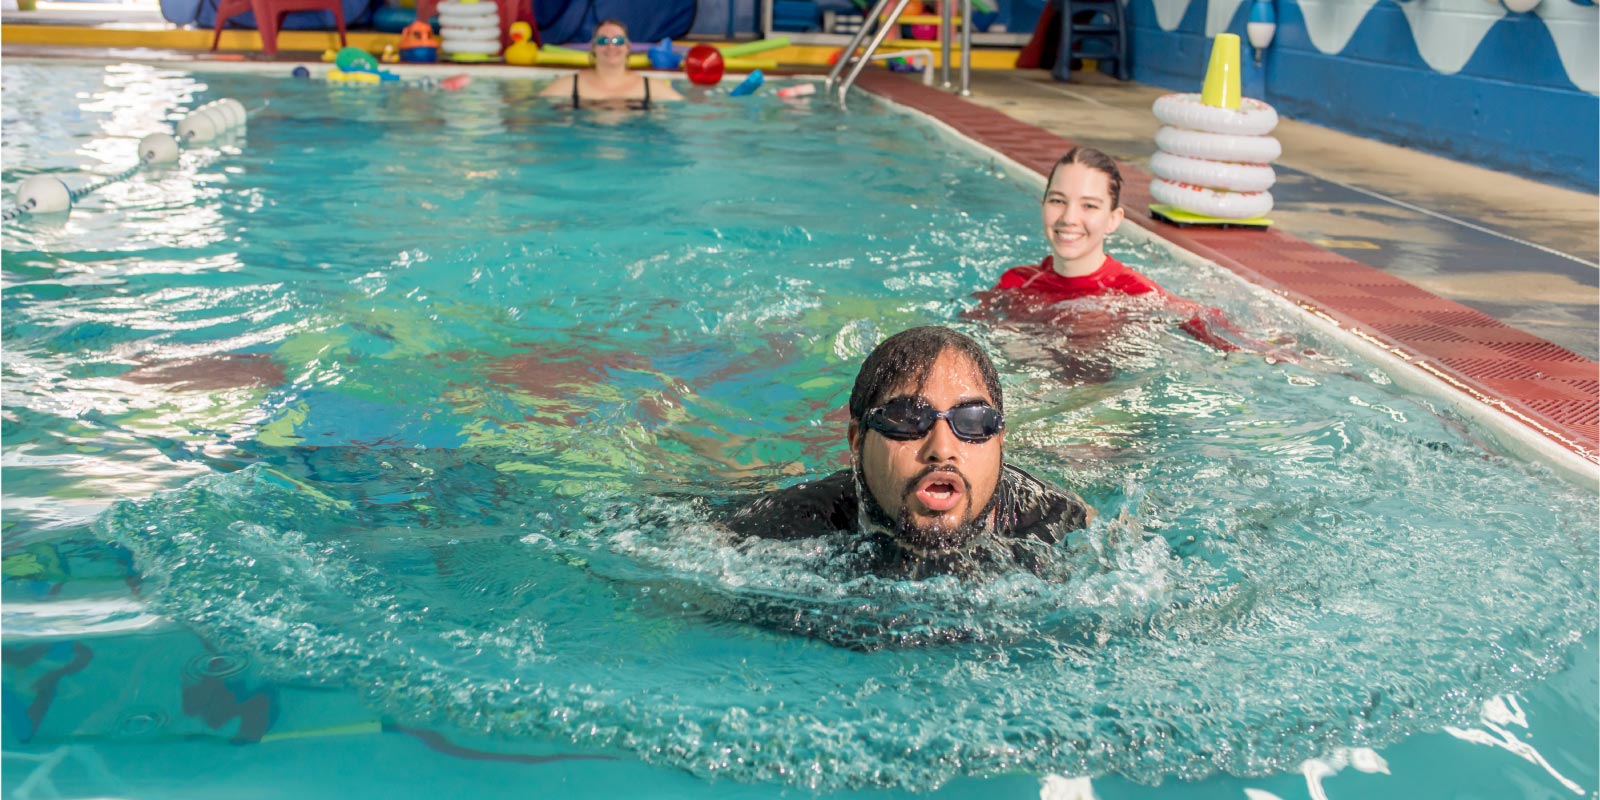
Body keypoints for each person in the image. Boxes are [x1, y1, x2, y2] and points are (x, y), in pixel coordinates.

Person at [724, 326, 1094, 577]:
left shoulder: (1059, 524)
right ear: (856, 441)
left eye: (973, 421)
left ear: (999, 440)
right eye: (906, 418)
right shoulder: (777, 531)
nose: (942, 449)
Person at [981, 146, 1257, 352]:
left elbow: (1207, 321)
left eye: (1089, 205)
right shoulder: (1014, 282)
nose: (1068, 218)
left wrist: (1262, 349)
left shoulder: (1134, 292)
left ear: (1113, 219)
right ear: (1043, 205)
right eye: (1057, 201)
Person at [538, 19, 683, 109]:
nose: (611, 47)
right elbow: (537, 108)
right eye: (603, 41)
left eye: (618, 41)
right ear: (593, 47)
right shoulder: (571, 85)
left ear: (628, 47)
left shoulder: (649, 87)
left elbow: (683, 108)